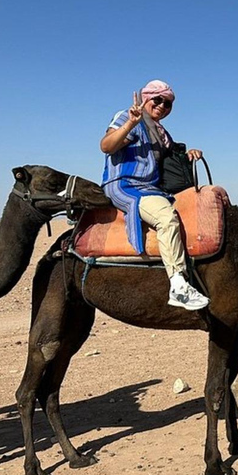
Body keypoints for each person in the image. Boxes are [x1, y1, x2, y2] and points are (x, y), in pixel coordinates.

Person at [100, 80, 210, 310]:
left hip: (152, 189)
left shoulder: (162, 133)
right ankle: (178, 285)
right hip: (125, 185)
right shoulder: (128, 117)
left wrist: (189, 154)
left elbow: (170, 161)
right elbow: (107, 146)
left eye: (167, 103)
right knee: (166, 218)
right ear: (145, 98)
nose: (162, 106)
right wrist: (131, 123)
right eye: (157, 99)